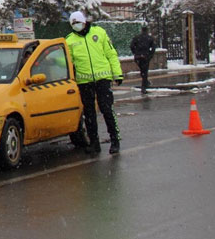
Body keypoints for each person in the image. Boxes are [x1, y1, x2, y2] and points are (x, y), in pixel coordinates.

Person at [66, 11, 124, 155]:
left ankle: (115, 140)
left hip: (102, 79)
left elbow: (111, 53)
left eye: (77, 22)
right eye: (73, 24)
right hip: (84, 82)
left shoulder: (99, 33)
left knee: (106, 110)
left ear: (84, 22)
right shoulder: (70, 40)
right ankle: (94, 143)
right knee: (89, 114)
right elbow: (67, 61)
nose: (76, 26)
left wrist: (117, 73)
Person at [130, 26, 157, 94]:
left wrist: (135, 53)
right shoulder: (149, 38)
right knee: (145, 71)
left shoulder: (137, 37)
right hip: (145, 56)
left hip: (138, 57)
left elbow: (131, 46)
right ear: (147, 31)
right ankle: (144, 87)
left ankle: (146, 82)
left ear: (141, 30)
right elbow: (153, 48)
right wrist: (150, 55)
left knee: (142, 70)